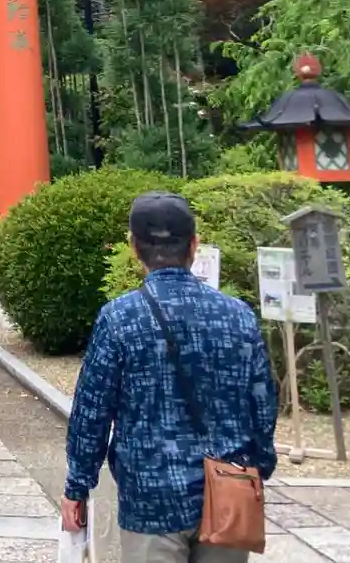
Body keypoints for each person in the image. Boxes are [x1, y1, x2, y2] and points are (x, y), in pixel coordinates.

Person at [62, 191, 277, 563]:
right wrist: (257, 465)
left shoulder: (120, 318)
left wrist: (78, 486)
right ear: (194, 245)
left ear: (134, 247)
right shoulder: (238, 315)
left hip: (150, 497)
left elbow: (92, 412)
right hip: (229, 490)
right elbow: (264, 402)